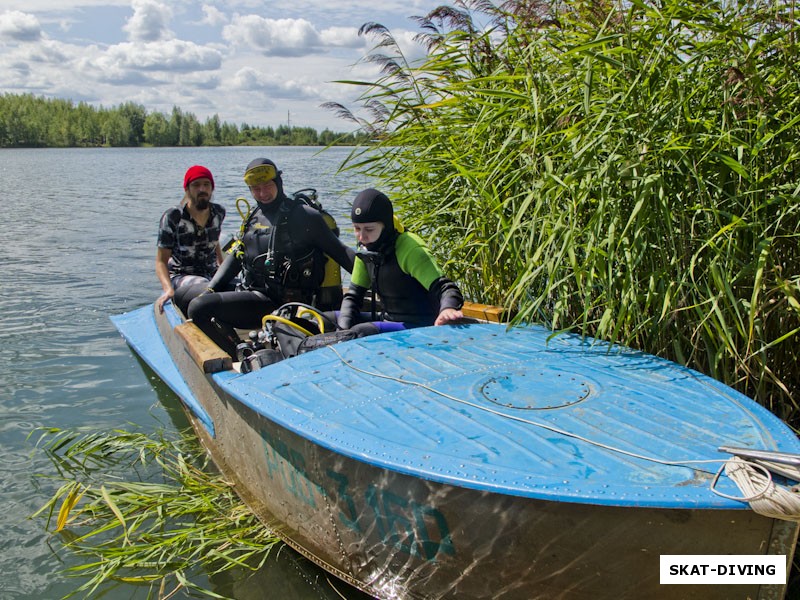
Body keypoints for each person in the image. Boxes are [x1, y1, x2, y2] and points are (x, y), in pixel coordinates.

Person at [187, 158, 355, 356]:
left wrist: (381, 278)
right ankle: (241, 351)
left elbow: (342, 253)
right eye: (255, 189)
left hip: (282, 304)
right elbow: (237, 257)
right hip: (254, 293)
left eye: (267, 185)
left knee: (198, 308)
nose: (262, 194)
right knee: (189, 296)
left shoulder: (304, 216)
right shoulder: (255, 215)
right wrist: (211, 289)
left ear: (279, 182)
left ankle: (241, 358)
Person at [337, 188, 464, 337]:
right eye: (357, 229)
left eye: (369, 229)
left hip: (419, 327)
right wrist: (341, 329)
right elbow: (353, 296)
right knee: (323, 320)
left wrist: (447, 309)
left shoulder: (410, 248)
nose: (361, 237)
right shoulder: (366, 248)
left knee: (359, 332)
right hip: (387, 320)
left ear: (386, 226)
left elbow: (446, 288)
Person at [156, 165, 226, 313]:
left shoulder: (218, 212)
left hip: (211, 273)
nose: (202, 189)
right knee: (205, 287)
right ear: (187, 189)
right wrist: (168, 289)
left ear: (212, 188)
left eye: (206, 184)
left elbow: (215, 239)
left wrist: (223, 266)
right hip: (182, 276)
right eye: (196, 185)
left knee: (243, 286)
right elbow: (161, 261)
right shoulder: (173, 216)